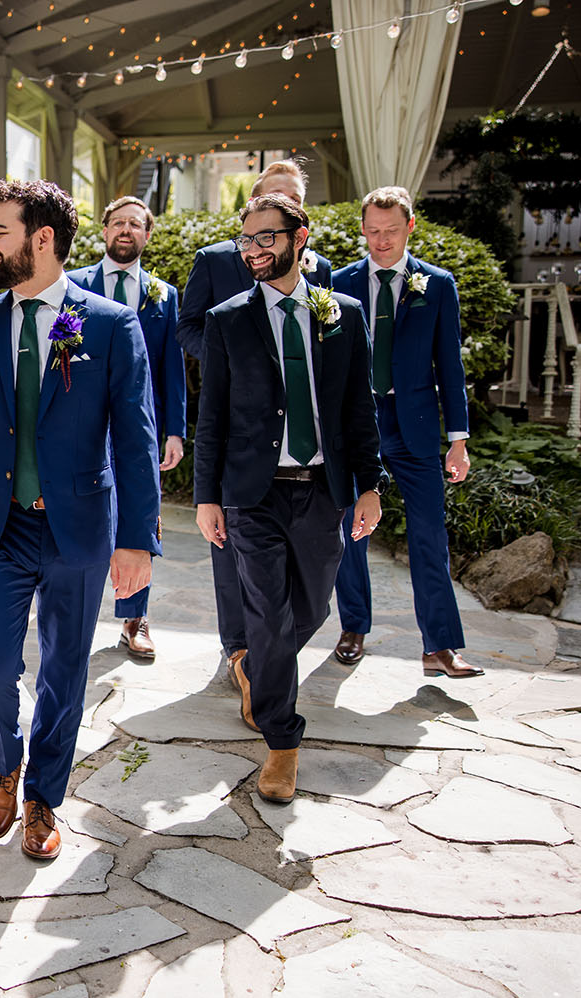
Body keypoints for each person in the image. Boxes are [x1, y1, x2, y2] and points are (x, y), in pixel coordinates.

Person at [0, 180, 162, 860]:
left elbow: (136, 437)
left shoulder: (109, 325)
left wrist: (135, 539)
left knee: (64, 669)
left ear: (43, 239)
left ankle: (43, 796)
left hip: (79, 527)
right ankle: (4, 754)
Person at [194, 193, 384, 804]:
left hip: (324, 491)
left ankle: (258, 667)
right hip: (254, 494)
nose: (252, 251)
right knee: (271, 617)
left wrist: (370, 486)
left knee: (314, 610)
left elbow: (359, 409)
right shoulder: (226, 319)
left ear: (299, 237)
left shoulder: (343, 315)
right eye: (245, 241)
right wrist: (207, 497)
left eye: (265, 238)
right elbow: (212, 418)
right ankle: (282, 743)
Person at [176, 160, 332, 683]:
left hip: (302, 444)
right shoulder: (216, 261)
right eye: (272, 197)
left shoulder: (324, 275)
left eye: (293, 198)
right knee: (231, 558)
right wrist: (234, 361)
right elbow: (190, 326)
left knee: (302, 591)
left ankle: (265, 655)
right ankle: (240, 651)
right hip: (242, 433)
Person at [331, 187, 481, 678]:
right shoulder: (338, 282)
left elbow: (450, 367)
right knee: (351, 530)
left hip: (414, 425)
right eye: (372, 231)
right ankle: (353, 627)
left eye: (390, 231)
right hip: (357, 424)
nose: (381, 241)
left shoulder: (436, 284)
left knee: (428, 535)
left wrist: (458, 439)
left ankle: (438, 645)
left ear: (410, 227)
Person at [67, 195, 185, 660]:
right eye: (118, 223)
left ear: (147, 235)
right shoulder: (74, 287)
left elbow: (172, 369)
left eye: (135, 225)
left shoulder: (163, 295)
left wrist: (172, 430)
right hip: (84, 426)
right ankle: (73, 611)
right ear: (104, 231)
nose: (125, 231)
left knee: (140, 514)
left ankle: (135, 619)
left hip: (138, 427)